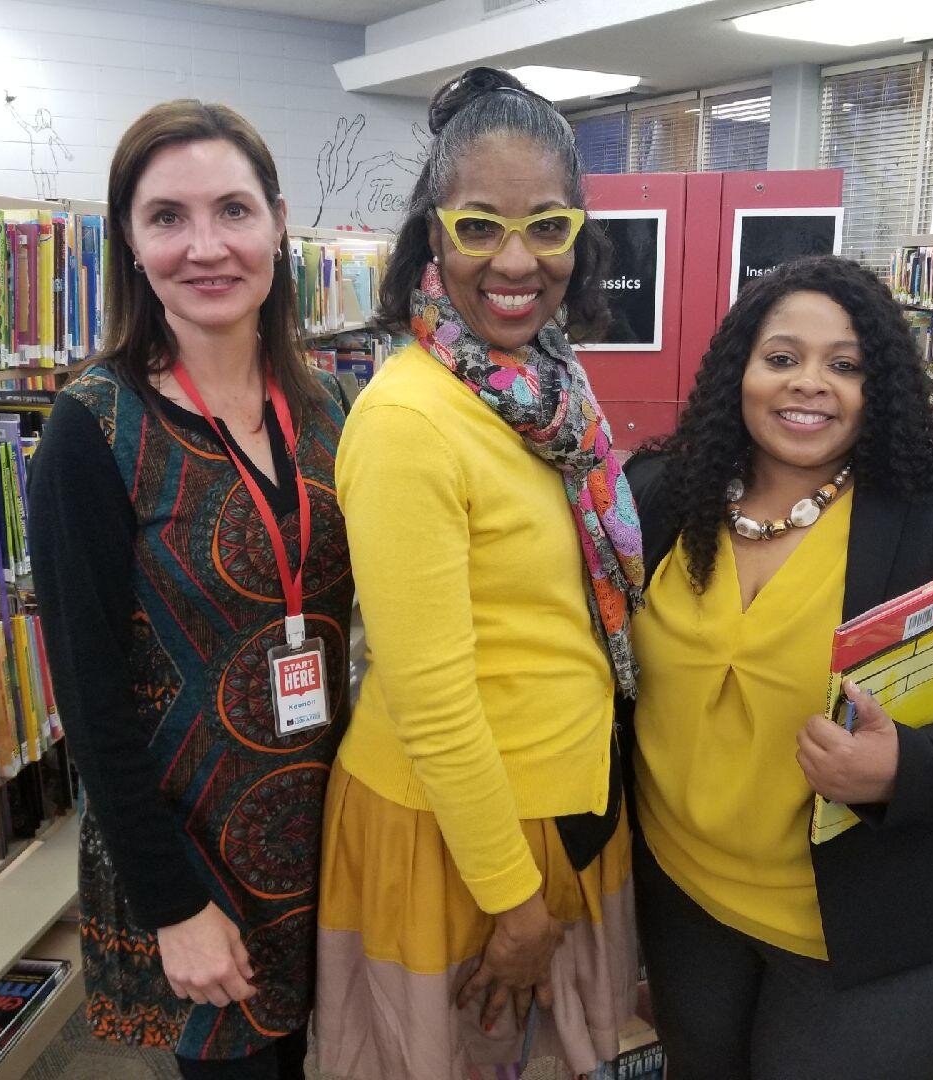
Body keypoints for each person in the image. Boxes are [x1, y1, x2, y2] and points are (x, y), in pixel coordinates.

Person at [626, 255, 933, 1080]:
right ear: (741, 372)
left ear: (884, 388)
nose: (809, 385)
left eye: (845, 366)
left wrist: (908, 766)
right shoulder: (663, 495)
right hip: (686, 904)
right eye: (782, 358)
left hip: (875, 932)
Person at [315, 67, 644, 1080]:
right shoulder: (413, 418)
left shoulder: (547, 386)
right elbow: (431, 695)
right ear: (433, 231)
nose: (516, 260)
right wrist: (512, 901)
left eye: (547, 226)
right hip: (460, 836)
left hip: (564, 800)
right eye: (478, 227)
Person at [29, 100, 353, 1080]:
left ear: (279, 222)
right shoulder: (93, 430)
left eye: (232, 210)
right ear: (127, 241)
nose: (205, 246)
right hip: (203, 871)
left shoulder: (328, 404)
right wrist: (174, 906)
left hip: (344, 844)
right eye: (167, 217)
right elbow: (89, 703)